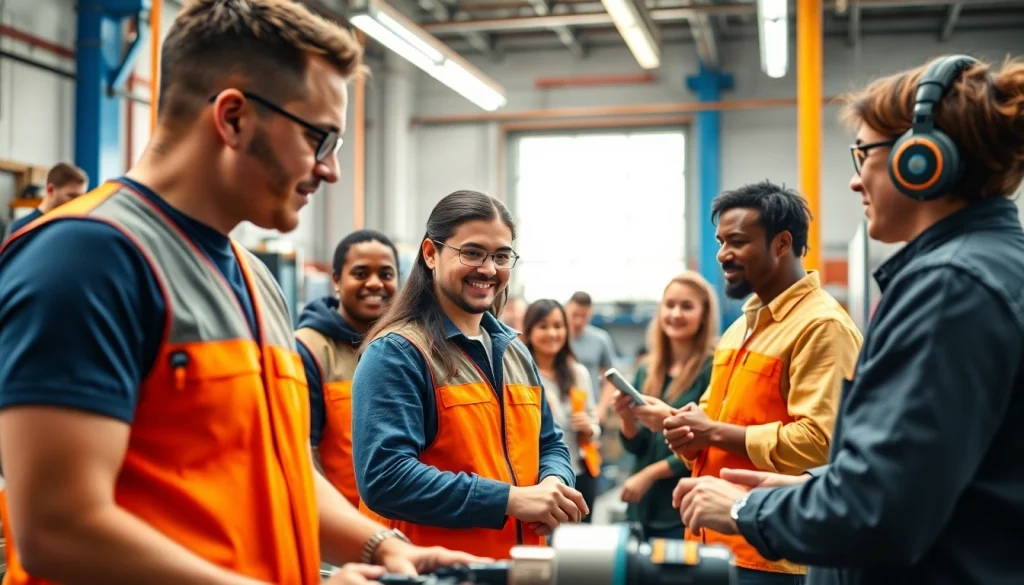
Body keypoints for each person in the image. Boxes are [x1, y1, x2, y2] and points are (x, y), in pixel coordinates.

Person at [0, 2, 482, 584]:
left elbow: (282, 470)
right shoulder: (86, 258)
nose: (329, 170)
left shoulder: (256, 282)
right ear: (233, 118)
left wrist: (381, 547)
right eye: (319, 138)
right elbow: (60, 526)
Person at [671, 55, 1024, 585]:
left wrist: (747, 511)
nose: (855, 181)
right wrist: (806, 489)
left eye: (864, 154)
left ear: (920, 158)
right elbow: (923, 476)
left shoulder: (951, 286)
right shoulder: (979, 268)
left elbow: (882, 510)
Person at [351, 190, 587, 560]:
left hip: (517, 567)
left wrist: (555, 482)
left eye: (502, 255)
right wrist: (510, 500)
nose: (489, 270)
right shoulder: (398, 354)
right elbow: (386, 479)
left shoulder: (515, 352)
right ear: (431, 253)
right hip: (432, 572)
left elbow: (550, 442)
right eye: (472, 253)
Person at [663, 181, 863, 584]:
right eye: (721, 242)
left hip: (771, 557)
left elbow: (822, 444)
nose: (723, 255)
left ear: (782, 243)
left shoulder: (822, 326)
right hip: (709, 543)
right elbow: (715, 424)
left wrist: (714, 433)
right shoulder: (740, 329)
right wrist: (690, 436)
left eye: (737, 241)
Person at [296, 229, 400, 506]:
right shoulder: (309, 350)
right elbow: (304, 452)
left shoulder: (408, 347)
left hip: (399, 526)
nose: (375, 283)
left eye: (386, 274)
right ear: (337, 280)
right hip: (341, 529)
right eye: (361, 273)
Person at [611, 272, 718, 539]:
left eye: (687, 306)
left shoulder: (714, 368)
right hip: (640, 509)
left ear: (704, 315)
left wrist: (649, 474)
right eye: (670, 305)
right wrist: (626, 418)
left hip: (681, 510)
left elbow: (704, 443)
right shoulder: (647, 368)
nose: (676, 314)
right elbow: (638, 446)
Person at [521, 299, 602, 523]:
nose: (552, 333)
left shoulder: (578, 373)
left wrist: (590, 428)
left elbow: (594, 423)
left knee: (578, 548)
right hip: (538, 478)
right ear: (528, 332)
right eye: (543, 326)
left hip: (581, 472)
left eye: (558, 326)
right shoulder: (520, 375)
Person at [565, 291, 618, 424]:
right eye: (574, 315)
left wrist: (601, 409)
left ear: (590, 314)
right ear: (566, 311)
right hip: (563, 410)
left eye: (584, 316)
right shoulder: (557, 338)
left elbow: (611, 379)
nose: (578, 321)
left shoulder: (600, 339)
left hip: (590, 410)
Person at [4, 163, 88, 239]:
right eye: (72, 196)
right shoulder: (22, 228)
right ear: (50, 189)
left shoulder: (71, 227)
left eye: (81, 197)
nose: (77, 202)